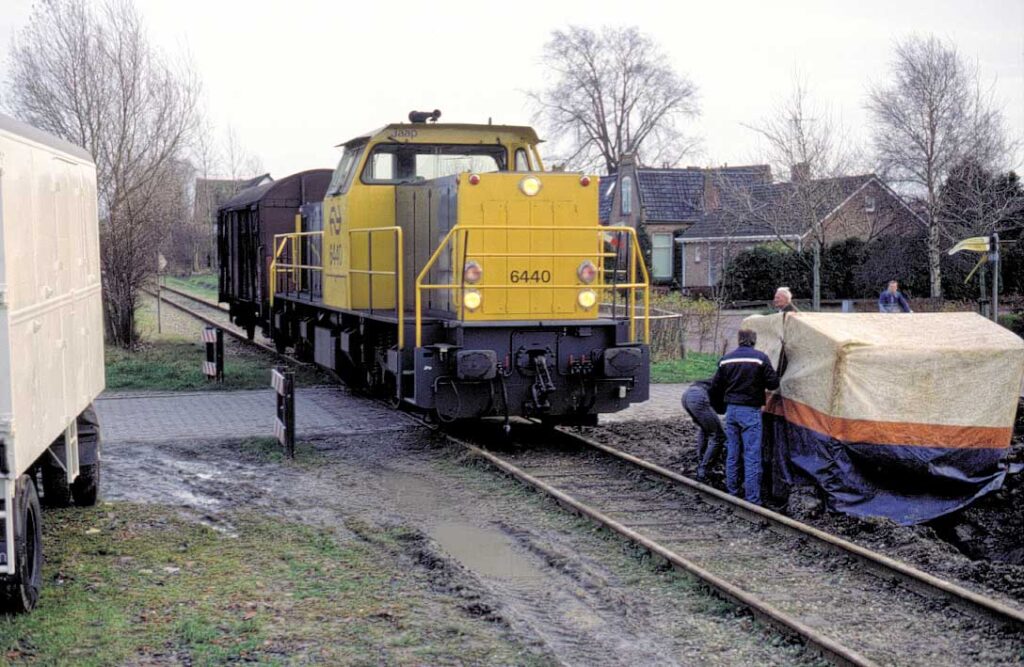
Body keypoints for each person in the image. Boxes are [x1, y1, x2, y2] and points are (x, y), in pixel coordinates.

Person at [710, 329, 780, 505]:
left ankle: (732, 492)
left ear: (739, 340)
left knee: (732, 453)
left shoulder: (726, 359)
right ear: (754, 341)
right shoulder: (760, 358)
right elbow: (773, 383)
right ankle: (752, 499)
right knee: (752, 455)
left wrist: (721, 408)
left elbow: (715, 387)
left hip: (731, 411)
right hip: (750, 411)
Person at [681, 379, 725, 481]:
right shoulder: (731, 382)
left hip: (687, 395)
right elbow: (721, 409)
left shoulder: (721, 377)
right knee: (718, 436)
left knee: (705, 430)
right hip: (698, 397)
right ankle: (705, 470)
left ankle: (701, 461)